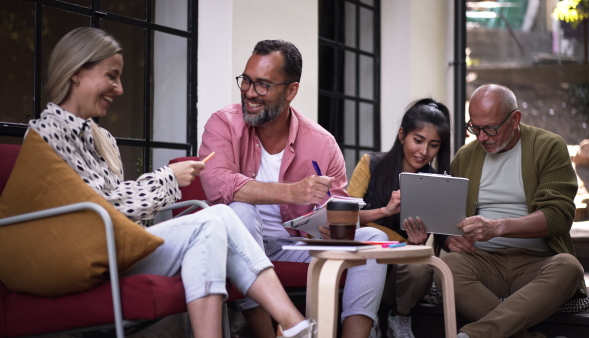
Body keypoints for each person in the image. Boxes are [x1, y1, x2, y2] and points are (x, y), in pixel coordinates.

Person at [28, 27, 317, 338]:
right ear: (76, 74)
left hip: (123, 247)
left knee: (217, 219)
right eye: (112, 76)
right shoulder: (44, 135)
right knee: (211, 222)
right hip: (85, 258)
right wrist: (166, 180)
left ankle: (290, 323)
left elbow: (126, 212)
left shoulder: (103, 139)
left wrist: (160, 189)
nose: (120, 88)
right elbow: (95, 208)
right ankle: (293, 322)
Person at [199, 39, 388, 338]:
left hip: (297, 245)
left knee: (374, 239)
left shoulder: (321, 143)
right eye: (246, 81)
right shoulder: (223, 124)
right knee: (240, 211)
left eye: (262, 85)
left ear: (291, 90)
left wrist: (331, 224)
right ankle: (273, 333)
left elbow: (336, 204)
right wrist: (290, 192)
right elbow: (217, 183)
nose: (249, 92)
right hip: (240, 248)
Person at [434, 84, 586, 338]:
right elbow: (452, 215)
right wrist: (450, 237)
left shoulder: (548, 146)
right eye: (475, 128)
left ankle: (475, 334)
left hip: (536, 263)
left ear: (515, 119)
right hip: (482, 263)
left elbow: (558, 217)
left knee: (569, 267)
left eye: (490, 128)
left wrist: (497, 227)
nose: (481, 137)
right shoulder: (466, 156)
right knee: (446, 267)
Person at [346, 98, 451, 338]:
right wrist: (385, 211)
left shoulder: (435, 181)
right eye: (418, 140)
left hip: (398, 277)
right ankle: (367, 318)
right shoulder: (371, 164)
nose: (424, 152)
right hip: (363, 263)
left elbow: (418, 250)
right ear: (402, 135)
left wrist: (416, 243)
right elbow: (345, 217)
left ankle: (400, 316)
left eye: (433, 145)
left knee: (421, 267)